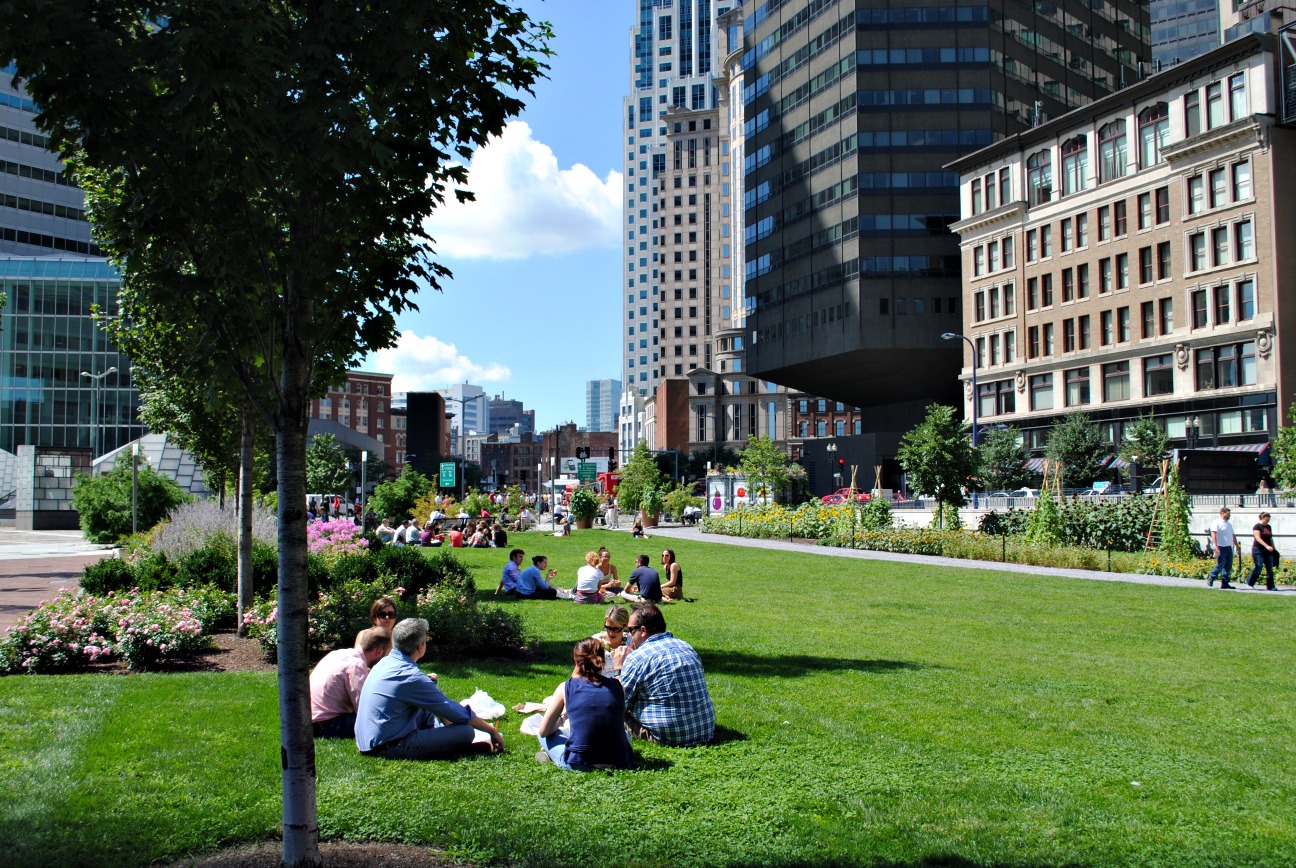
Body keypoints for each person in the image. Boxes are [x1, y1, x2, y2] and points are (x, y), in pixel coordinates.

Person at [356, 617, 504, 759]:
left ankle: (447, 742)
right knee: (466, 731)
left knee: (427, 710)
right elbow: (451, 709)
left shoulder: (385, 663)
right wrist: (491, 730)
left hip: (368, 740)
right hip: (388, 745)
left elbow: (438, 705)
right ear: (420, 647)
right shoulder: (411, 676)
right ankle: (456, 747)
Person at [619, 603, 714, 746]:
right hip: (704, 728)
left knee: (613, 714)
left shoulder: (637, 657)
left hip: (670, 735)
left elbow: (618, 702)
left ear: (643, 630)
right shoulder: (686, 646)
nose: (630, 636)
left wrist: (618, 668)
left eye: (631, 630)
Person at [535, 638, 634, 771]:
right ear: (603, 660)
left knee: (543, 734)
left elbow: (544, 731)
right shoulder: (618, 686)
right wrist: (618, 667)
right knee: (624, 733)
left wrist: (564, 716)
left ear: (576, 660)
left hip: (580, 763)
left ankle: (551, 755)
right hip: (619, 761)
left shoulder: (566, 687)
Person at [311, 627, 391, 738]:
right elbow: (364, 708)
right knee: (385, 721)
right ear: (379, 651)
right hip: (325, 724)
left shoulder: (338, 653)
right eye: (387, 655)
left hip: (309, 719)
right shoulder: (356, 665)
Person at [593, 604, 631, 677]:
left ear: (626, 626)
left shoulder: (631, 641)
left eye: (616, 629)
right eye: (608, 628)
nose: (611, 633)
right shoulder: (595, 642)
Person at [1207, 507, 1239, 589]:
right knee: (1221, 564)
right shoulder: (1216, 522)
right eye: (1228, 514)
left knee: (1228, 566)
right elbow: (1213, 534)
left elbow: (1233, 535)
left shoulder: (1229, 524)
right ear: (1223, 513)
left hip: (1228, 547)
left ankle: (1225, 583)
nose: (1229, 515)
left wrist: (1236, 546)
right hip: (1221, 547)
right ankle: (1211, 577)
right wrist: (1215, 545)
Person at [1246, 511, 1279, 590]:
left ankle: (1270, 586)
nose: (1267, 521)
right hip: (1258, 550)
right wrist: (1266, 546)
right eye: (1266, 519)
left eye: (1268, 520)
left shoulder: (1268, 527)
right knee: (1258, 567)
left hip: (1268, 550)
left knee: (1270, 568)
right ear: (1262, 518)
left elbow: (1270, 538)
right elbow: (1258, 538)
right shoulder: (1257, 526)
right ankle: (1250, 582)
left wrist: (1273, 548)